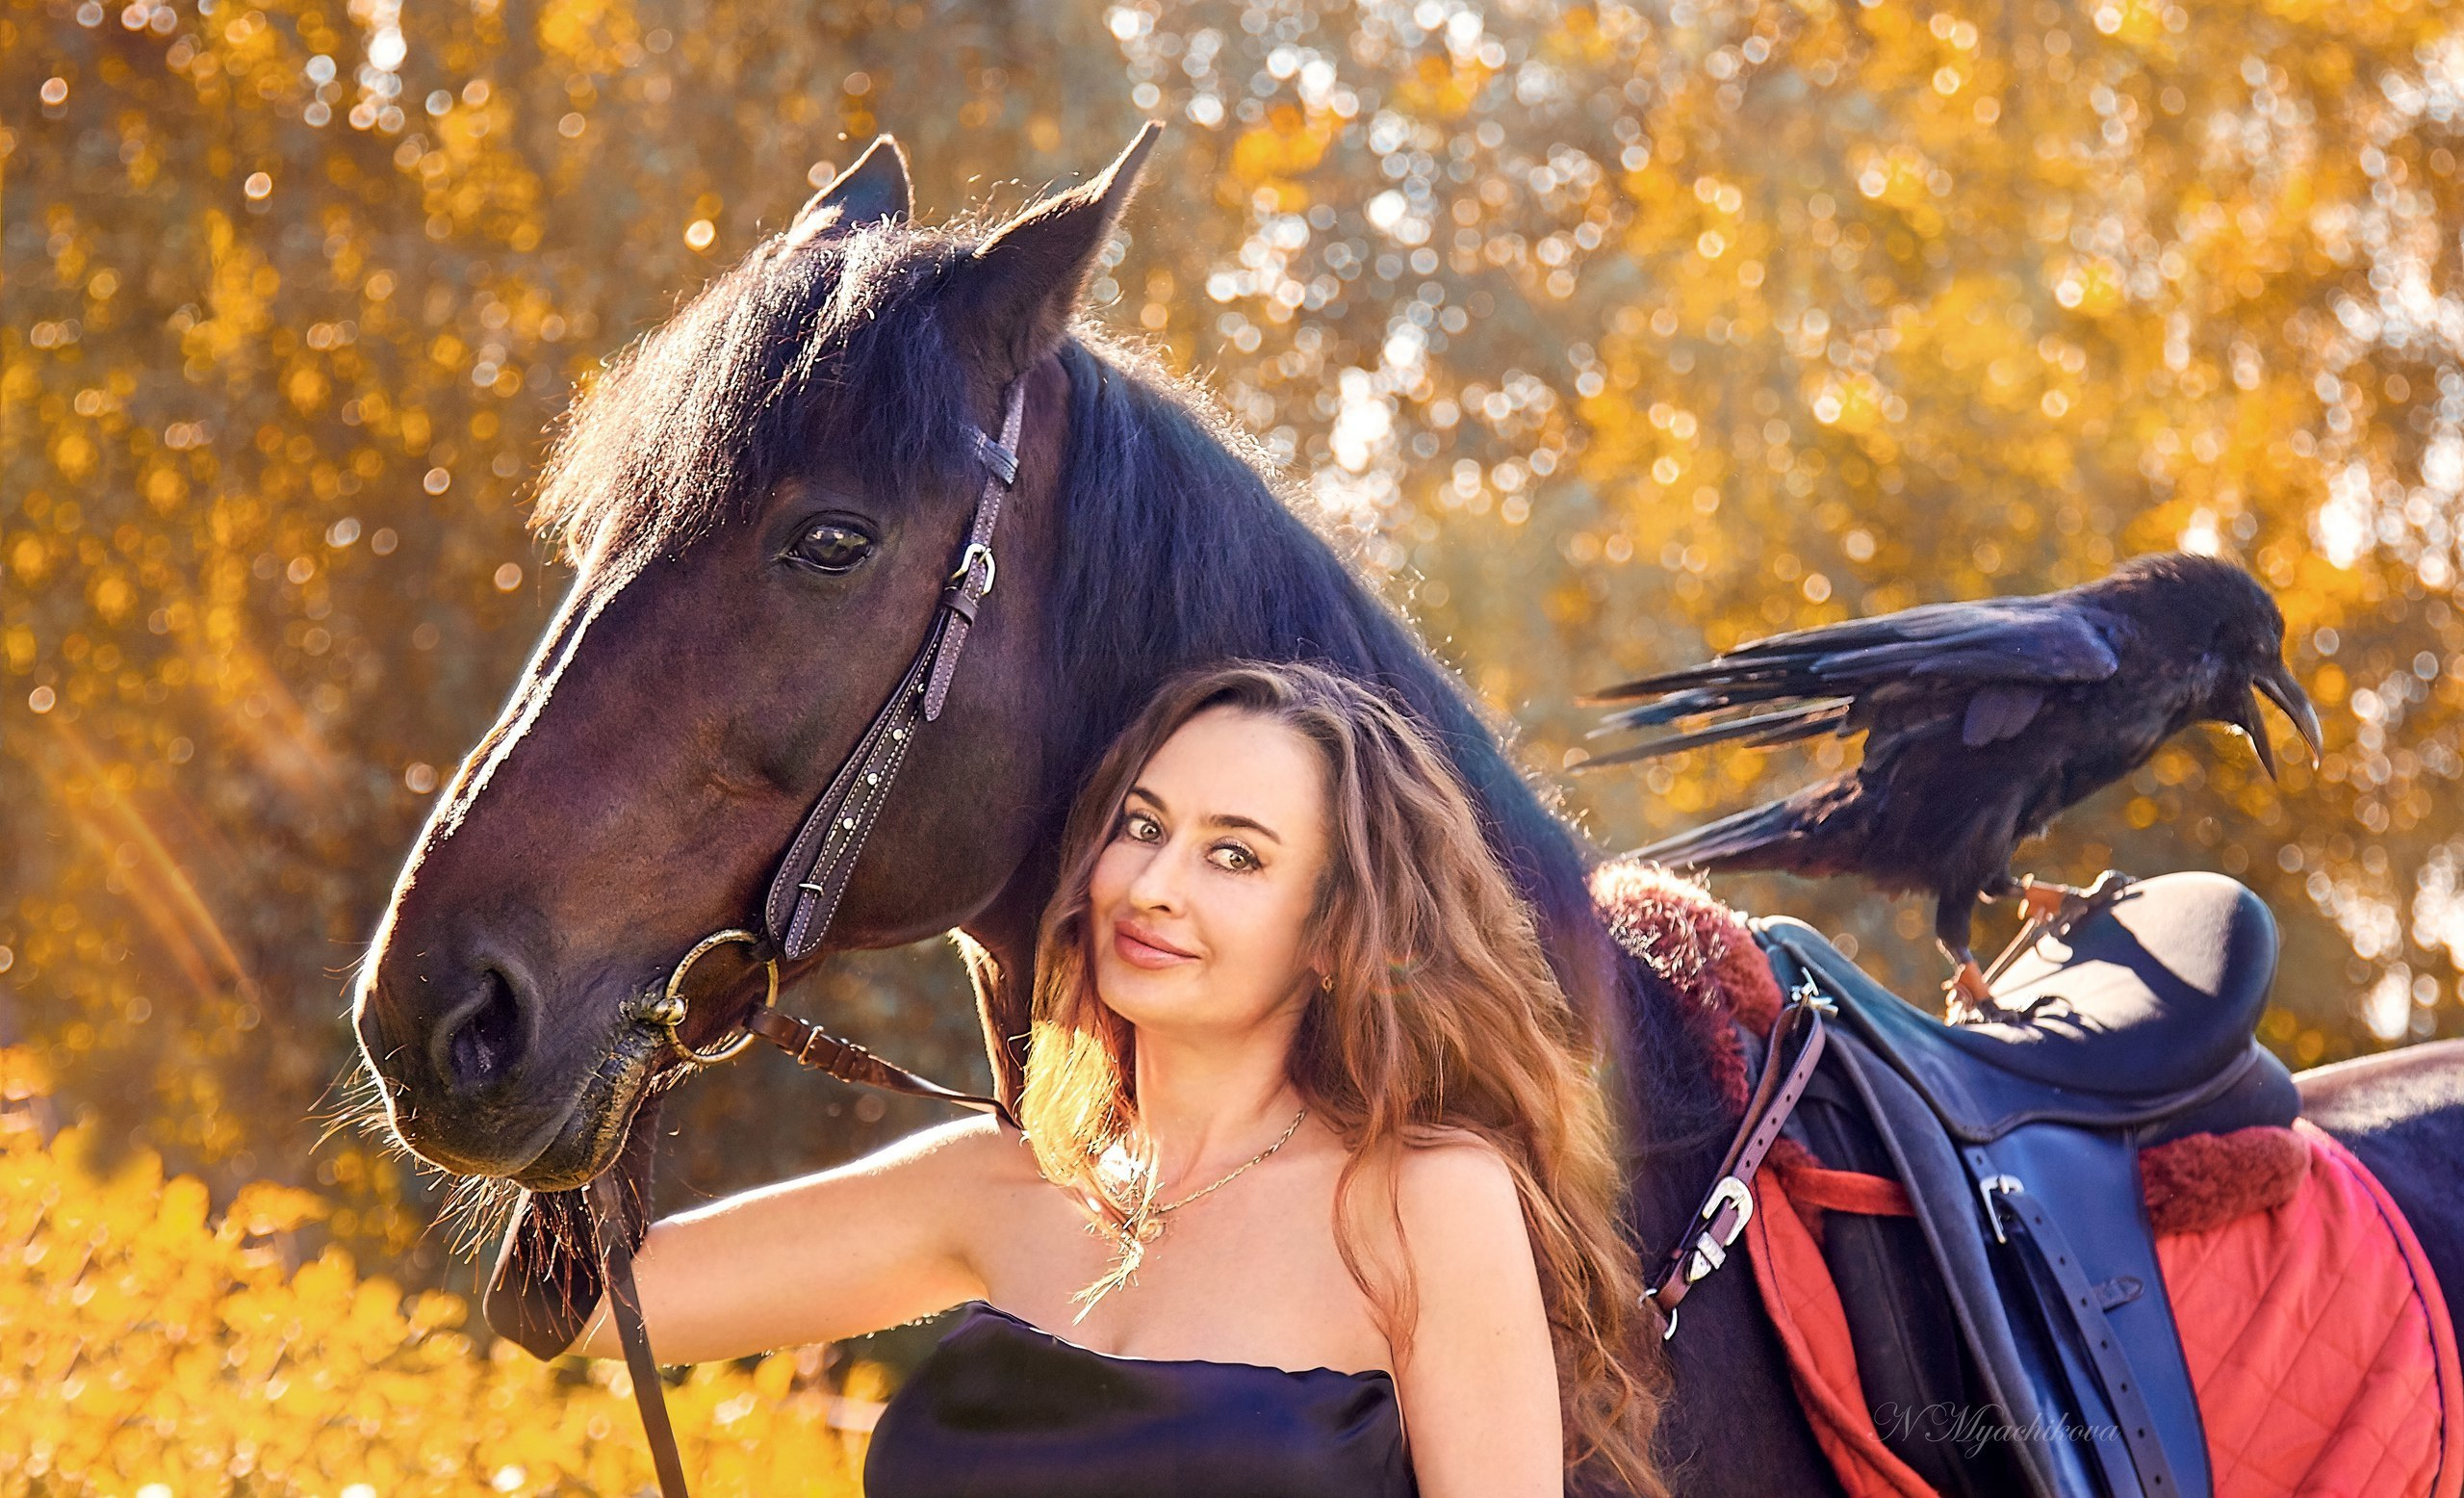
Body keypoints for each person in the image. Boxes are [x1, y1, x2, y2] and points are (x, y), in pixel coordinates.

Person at [551, 659, 1666, 1497]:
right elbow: (581, 1304)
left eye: (1235, 854)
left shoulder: (1420, 1198)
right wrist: (632, 977)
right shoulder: (993, 1183)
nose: (1155, 884)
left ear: (1335, 933)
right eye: (1143, 826)